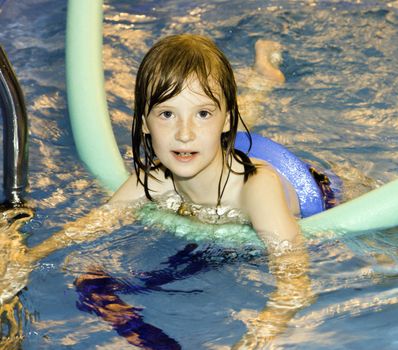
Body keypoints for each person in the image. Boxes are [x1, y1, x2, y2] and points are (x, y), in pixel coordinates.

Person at [1, 34, 316, 348]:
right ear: (144, 125)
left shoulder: (256, 188)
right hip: (220, 159)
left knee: (231, 128)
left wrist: (254, 340)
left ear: (225, 120)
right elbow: (94, 224)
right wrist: (26, 259)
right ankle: (256, 82)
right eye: (167, 114)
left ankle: (263, 79)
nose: (183, 133)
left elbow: (295, 281)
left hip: (309, 190)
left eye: (202, 114)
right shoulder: (153, 180)